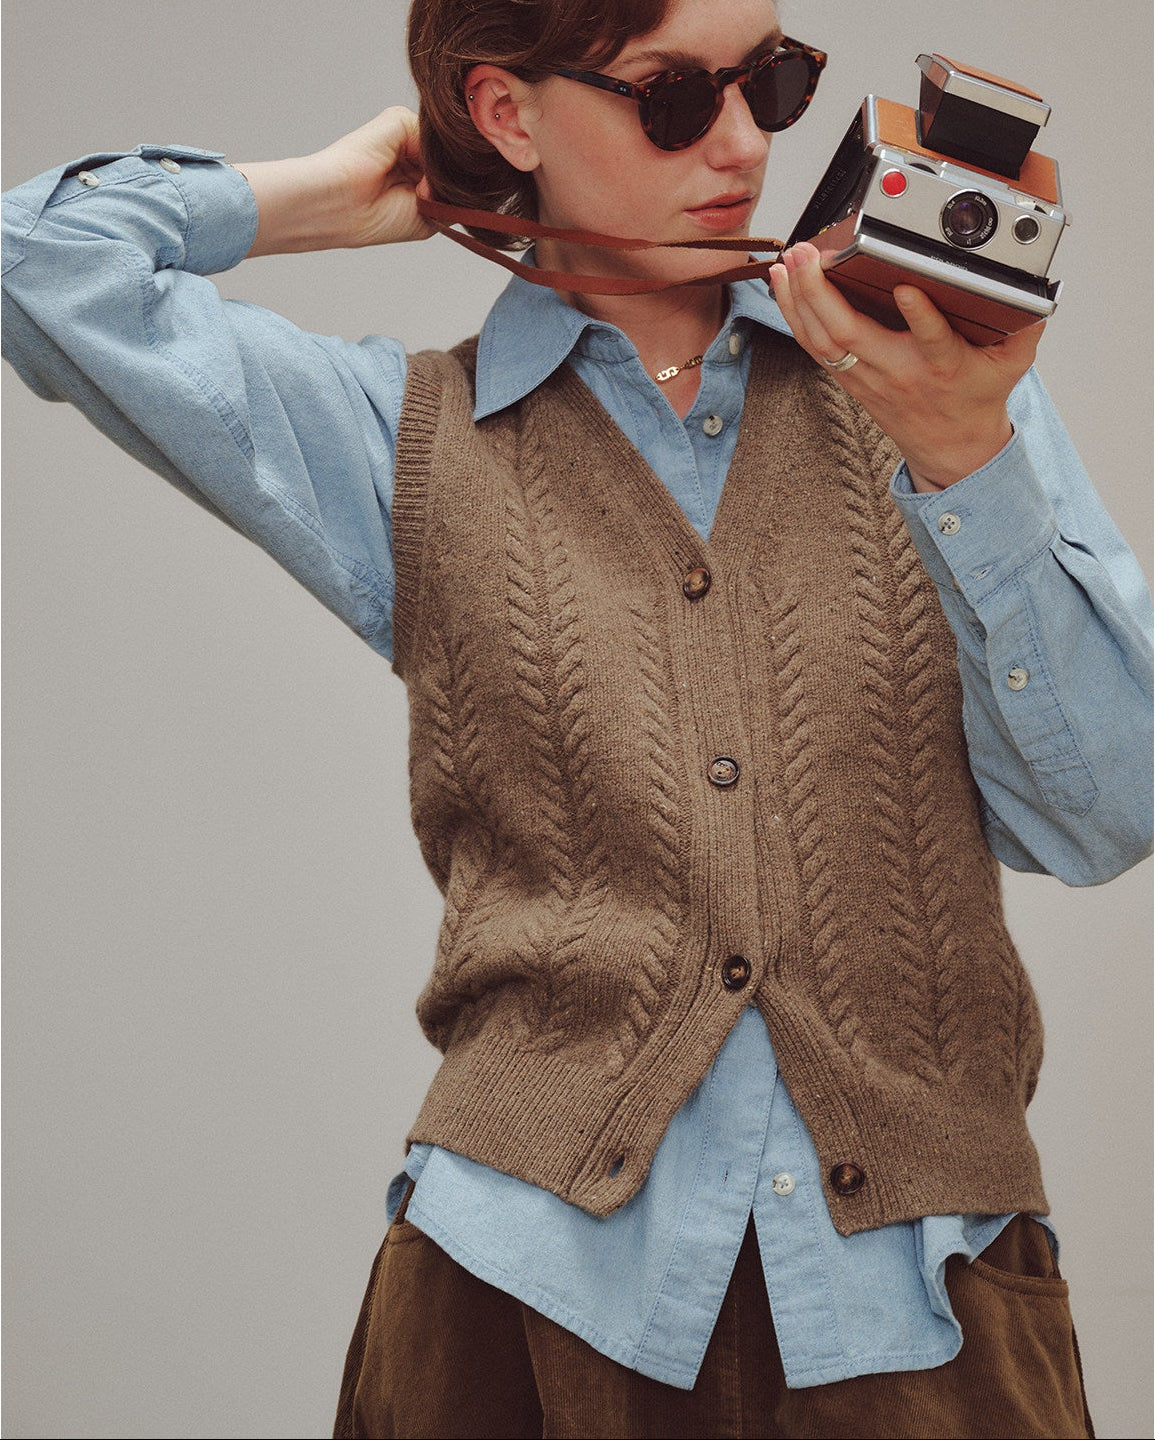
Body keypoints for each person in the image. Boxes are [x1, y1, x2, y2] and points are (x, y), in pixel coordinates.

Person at [3, 0, 1151, 1436]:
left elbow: (1110, 815)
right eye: (675, 98)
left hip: (920, 1298)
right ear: (507, 111)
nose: (741, 141)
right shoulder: (399, 442)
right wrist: (312, 199)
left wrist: (970, 466)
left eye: (774, 84)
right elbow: (35, 262)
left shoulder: (935, 388)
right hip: (518, 1300)